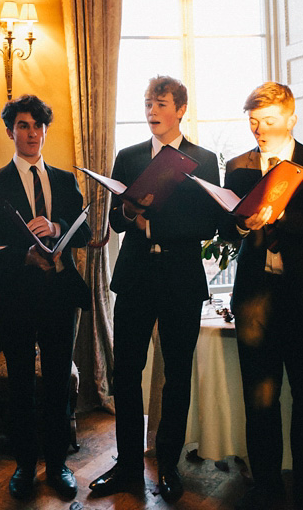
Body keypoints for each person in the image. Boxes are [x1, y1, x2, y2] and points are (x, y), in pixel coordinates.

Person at [89, 75, 221, 503]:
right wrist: (129, 213)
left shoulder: (202, 158)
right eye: (147, 103)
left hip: (181, 278)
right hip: (136, 277)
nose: (151, 111)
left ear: (180, 109)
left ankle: (168, 464)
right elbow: (114, 223)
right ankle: (127, 464)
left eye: (161, 103)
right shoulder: (127, 157)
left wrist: (155, 219)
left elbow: (209, 225)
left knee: (177, 374)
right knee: (126, 372)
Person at [221, 82, 303, 510]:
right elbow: (226, 229)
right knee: (260, 400)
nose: (259, 129)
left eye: (269, 121)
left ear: (292, 119)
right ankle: (267, 487)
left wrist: (283, 218)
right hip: (256, 298)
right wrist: (242, 225)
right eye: (254, 121)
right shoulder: (238, 167)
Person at [0, 95, 91, 501]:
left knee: (58, 383)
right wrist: (23, 253)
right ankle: (25, 466)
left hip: (60, 295)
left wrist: (58, 226)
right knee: (22, 386)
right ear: (10, 132)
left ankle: (58, 465)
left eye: (38, 126)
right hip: (16, 297)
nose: (32, 133)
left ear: (45, 131)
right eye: (23, 125)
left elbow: (84, 230)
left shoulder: (63, 179)